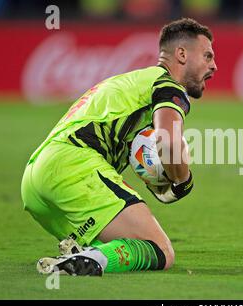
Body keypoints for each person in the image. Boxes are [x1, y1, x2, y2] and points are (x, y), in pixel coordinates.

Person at [20, 18, 217, 276]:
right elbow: (168, 139)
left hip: (36, 180)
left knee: (122, 245)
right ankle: (92, 261)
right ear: (181, 54)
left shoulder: (128, 82)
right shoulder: (166, 85)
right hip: (74, 168)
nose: (214, 65)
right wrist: (183, 180)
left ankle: (80, 254)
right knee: (160, 250)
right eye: (207, 55)